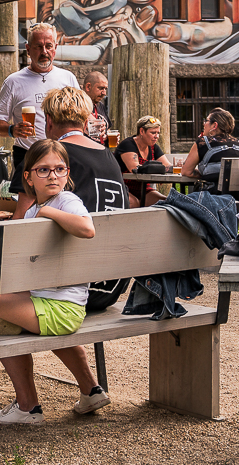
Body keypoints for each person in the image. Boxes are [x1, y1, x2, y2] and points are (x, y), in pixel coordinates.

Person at [0, 139, 110, 424]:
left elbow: (87, 228)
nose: (53, 176)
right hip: (58, 305)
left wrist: (47, 212)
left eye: (60, 169)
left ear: (67, 173)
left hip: (58, 309)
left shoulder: (65, 201)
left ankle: (28, 408)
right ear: (28, 177)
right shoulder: (34, 209)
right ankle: (91, 390)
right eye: (44, 170)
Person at [41, 86, 130, 310]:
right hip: (110, 286)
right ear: (85, 121)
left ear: (49, 120)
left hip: (72, 288)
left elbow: (20, 222)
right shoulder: (108, 155)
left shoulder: (48, 156)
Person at [0, 22, 79, 185]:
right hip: (27, 154)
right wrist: (12, 130)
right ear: (28, 49)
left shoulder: (68, 78)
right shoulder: (13, 81)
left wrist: (96, 124)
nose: (44, 52)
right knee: (26, 200)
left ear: (55, 47)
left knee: (60, 200)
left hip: (62, 155)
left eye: (48, 46)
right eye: (38, 47)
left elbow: (81, 117)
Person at [115, 115, 173, 207]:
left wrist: (179, 167)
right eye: (153, 133)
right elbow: (135, 169)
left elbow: (167, 166)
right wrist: (159, 169)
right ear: (141, 131)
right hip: (123, 187)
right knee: (134, 203)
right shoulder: (128, 144)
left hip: (143, 189)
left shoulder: (153, 147)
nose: (157, 136)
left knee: (166, 203)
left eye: (158, 133)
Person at [180, 108, 239, 186]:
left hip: (212, 192)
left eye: (206, 121)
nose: (203, 124)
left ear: (214, 125)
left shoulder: (203, 142)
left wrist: (205, 173)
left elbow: (186, 172)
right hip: (238, 193)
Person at [81, 71, 111, 145]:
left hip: (102, 149)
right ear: (88, 87)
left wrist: (109, 136)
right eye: (101, 88)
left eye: (105, 89)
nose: (104, 93)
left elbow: (108, 128)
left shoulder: (100, 105)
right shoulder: (77, 106)